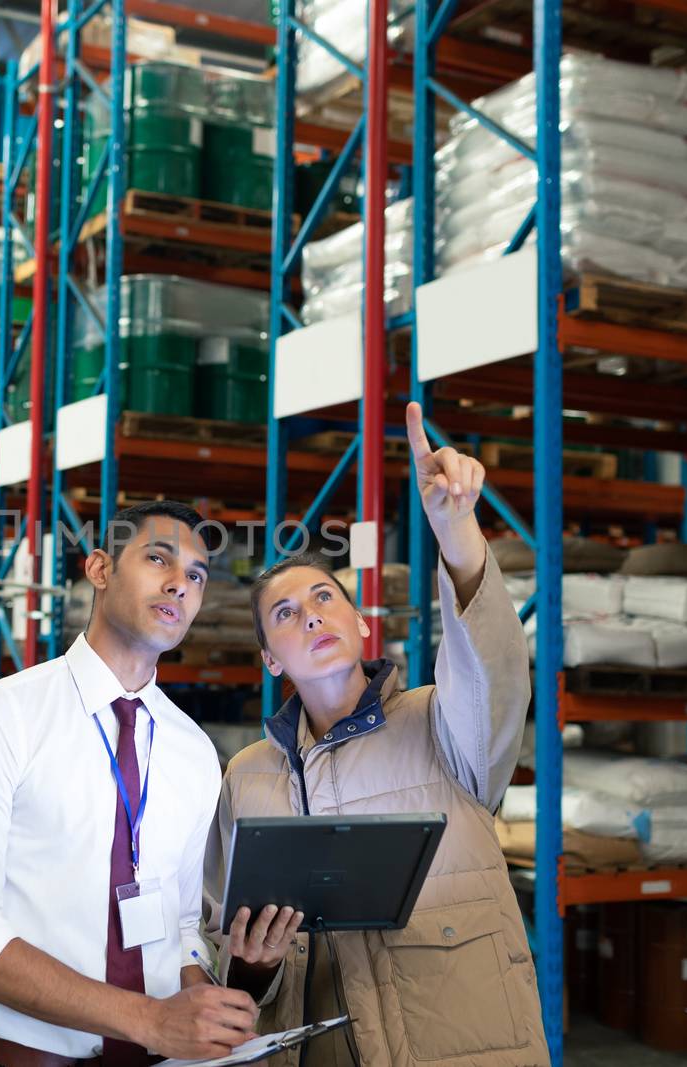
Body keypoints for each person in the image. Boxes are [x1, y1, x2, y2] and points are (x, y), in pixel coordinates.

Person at [203, 401, 546, 1067]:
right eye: (285, 612)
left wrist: (457, 533)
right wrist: (252, 967)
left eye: (326, 597)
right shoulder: (246, 775)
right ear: (270, 658)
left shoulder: (442, 724)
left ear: (360, 622)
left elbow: (494, 669)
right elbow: (223, 941)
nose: (310, 616)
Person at [0, 500, 262, 1066]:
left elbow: (180, 924)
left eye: (198, 575)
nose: (180, 584)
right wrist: (150, 1020)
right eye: (159, 559)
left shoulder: (193, 751)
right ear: (100, 570)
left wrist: (204, 999)